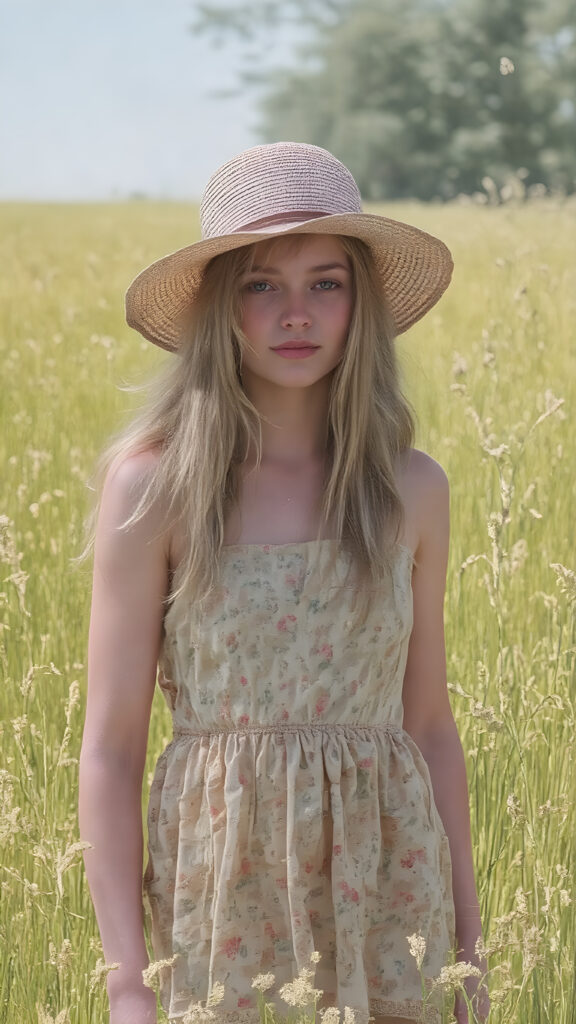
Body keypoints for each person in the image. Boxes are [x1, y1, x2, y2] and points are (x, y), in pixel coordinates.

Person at [79, 142, 489, 1024]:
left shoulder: (411, 489)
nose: (295, 313)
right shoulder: (157, 488)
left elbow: (428, 726)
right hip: (225, 898)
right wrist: (126, 983)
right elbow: (110, 749)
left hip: (392, 888)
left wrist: (468, 949)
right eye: (262, 284)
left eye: (326, 283)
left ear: (360, 304)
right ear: (221, 306)